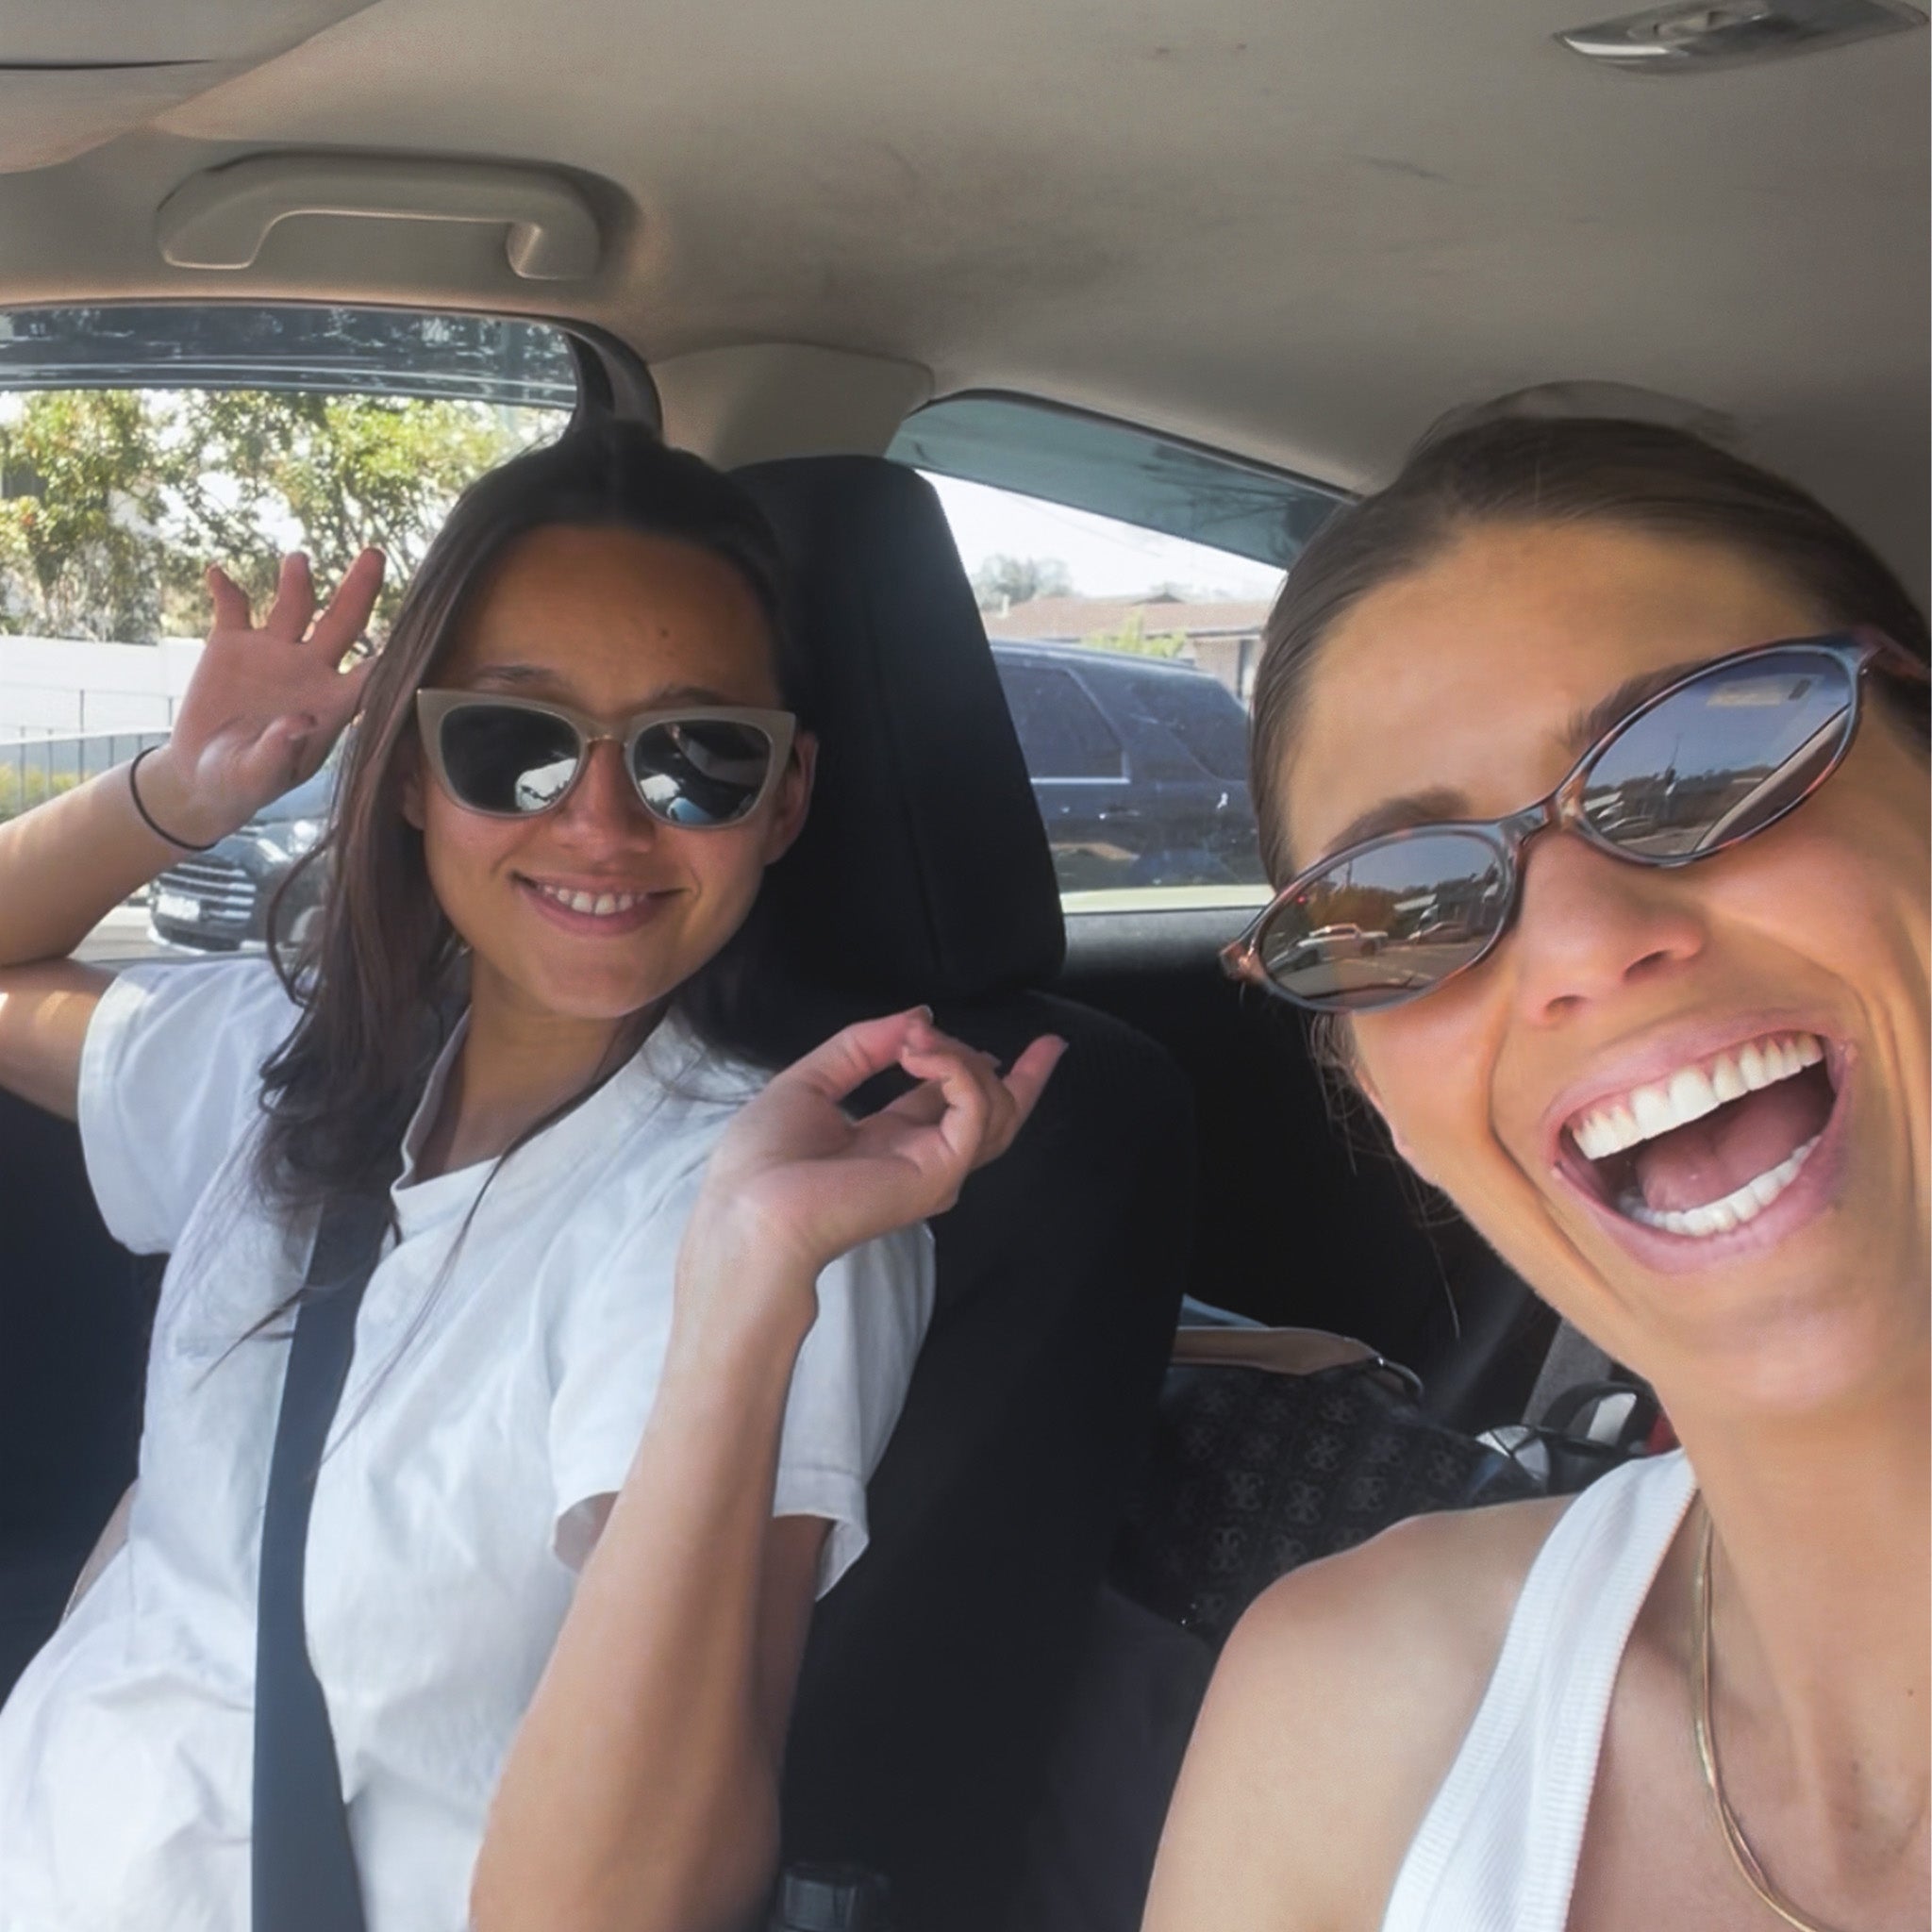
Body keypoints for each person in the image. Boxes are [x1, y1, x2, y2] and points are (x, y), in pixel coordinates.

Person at [0, 422, 1062, 1932]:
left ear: (789, 796)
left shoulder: (764, 1204)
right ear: (419, 773)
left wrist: (752, 1281)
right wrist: (181, 790)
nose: (604, 821)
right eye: (517, 743)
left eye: (701, 755)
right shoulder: (305, 1061)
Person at [1144, 414, 1928, 1932]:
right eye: (1402, 904)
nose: (1577, 943)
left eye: (1711, 760)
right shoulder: (1352, 1720)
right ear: (1380, 1099)